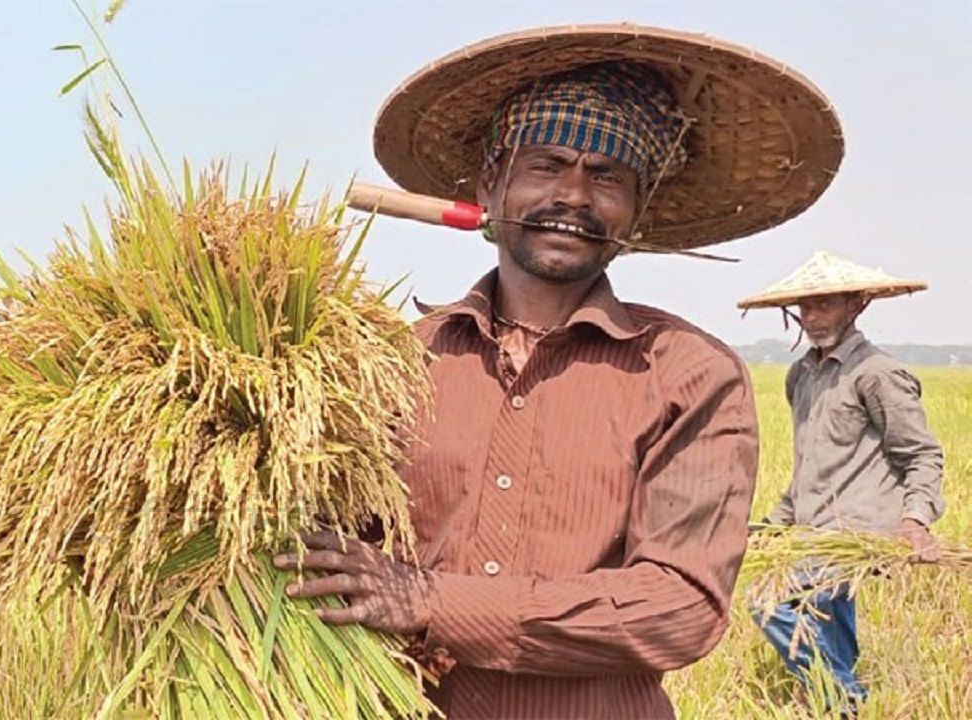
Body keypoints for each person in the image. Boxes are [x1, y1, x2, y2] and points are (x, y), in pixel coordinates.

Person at [273, 24, 844, 718]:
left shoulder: (689, 375)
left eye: (607, 176)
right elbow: (327, 547)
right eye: (547, 164)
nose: (574, 195)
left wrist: (433, 601)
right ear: (493, 181)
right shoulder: (395, 360)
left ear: (636, 210)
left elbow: (678, 607)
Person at [738, 250, 944, 710]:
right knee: (831, 627)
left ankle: (847, 701)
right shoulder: (801, 375)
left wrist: (915, 521)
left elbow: (922, 455)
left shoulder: (878, 374)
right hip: (814, 533)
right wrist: (777, 521)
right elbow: (810, 464)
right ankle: (836, 699)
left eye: (825, 305)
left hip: (857, 532)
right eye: (805, 308)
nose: (812, 317)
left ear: (856, 305)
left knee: (767, 601)